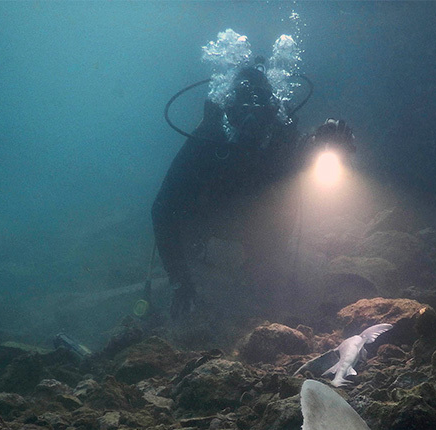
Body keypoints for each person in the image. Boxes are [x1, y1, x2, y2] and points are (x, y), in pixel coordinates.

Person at [152, 58, 355, 318]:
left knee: (266, 283)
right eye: (242, 110)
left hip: (257, 233)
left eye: (259, 111)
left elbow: (308, 150)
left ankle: (257, 271)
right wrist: (180, 278)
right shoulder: (207, 139)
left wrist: (327, 141)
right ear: (228, 110)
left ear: (272, 111)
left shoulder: (281, 142)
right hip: (205, 230)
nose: (250, 120)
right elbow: (162, 209)